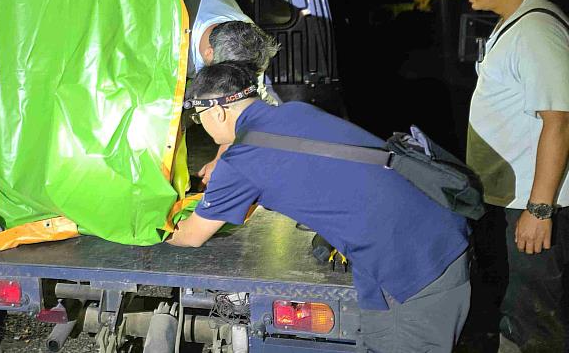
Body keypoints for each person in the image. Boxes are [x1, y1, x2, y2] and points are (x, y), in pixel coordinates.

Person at [169, 61, 471, 352]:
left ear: (217, 111)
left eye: (198, 117)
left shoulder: (240, 164)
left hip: (417, 265)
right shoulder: (295, 111)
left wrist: (142, 225)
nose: (201, 125)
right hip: (425, 228)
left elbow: (191, 236)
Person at [460, 0, 569, 352]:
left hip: (535, 201)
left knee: (535, 315)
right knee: (520, 303)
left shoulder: (538, 29)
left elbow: (558, 121)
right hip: (517, 198)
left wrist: (539, 209)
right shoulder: (518, 22)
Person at [184, 0, 281, 184]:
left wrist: (223, 159)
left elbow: (246, 111)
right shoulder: (176, 44)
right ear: (209, 54)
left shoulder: (248, 44)